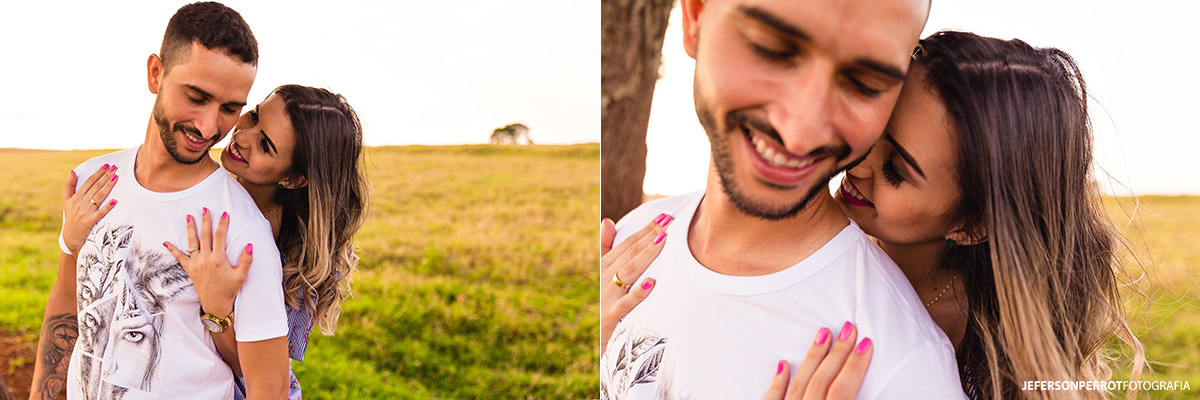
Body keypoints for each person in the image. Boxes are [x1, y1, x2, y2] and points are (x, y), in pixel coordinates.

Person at [604, 31, 1147, 399]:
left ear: (971, 225)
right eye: (873, 125)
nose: (857, 161)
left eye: (897, 171)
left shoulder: (941, 352)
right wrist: (615, 338)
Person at [598, 0, 969, 398]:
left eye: (864, 82)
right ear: (695, 18)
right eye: (772, 50)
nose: (800, 133)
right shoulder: (631, 240)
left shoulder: (904, 368)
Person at [29, 3, 292, 399]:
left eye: (230, 108)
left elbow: (268, 389)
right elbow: (68, 299)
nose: (209, 127)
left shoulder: (239, 227)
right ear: (156, 73)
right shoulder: (92, 182)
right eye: (196, 96)